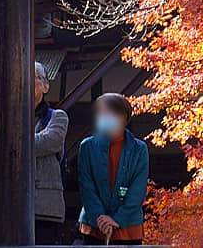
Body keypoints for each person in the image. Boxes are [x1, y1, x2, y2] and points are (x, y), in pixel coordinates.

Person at [74, 93, 149, 245]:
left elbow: (138, 189)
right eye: (101, 113)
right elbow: (87, 188)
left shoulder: (139, 149)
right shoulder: (87, 146)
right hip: (93, 225)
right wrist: (100, 218)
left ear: (123, 117)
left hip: (128, 226)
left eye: (109, 113)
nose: (104, 117)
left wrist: (117, 219)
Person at [33, 62, 70, 245]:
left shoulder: (57, 117)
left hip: (45, 206)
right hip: (10, 208)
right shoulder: (4, 115)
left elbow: (49, 142)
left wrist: (13, 139)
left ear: (46, 86)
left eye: (34, 77)